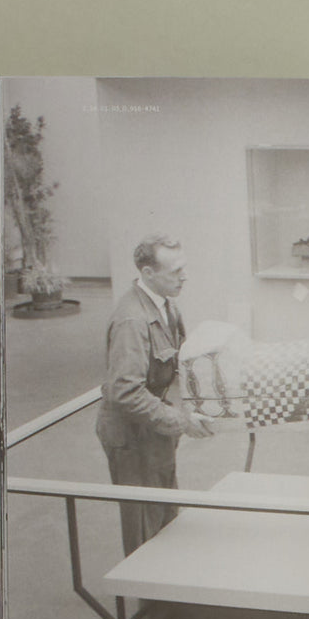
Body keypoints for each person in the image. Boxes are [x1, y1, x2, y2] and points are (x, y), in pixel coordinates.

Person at [95, 234, 215, 558]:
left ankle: (165, 589)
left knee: (165, 511)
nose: (184, 277)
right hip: (131, 437)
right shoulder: (132, 320)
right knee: (144, 522)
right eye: (175, 271)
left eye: (183, 268)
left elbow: (179, 362)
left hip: (154, 428)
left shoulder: (165, 305)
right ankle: (150, 604)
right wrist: (181, 421)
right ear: (148, 273)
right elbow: (125, 390)